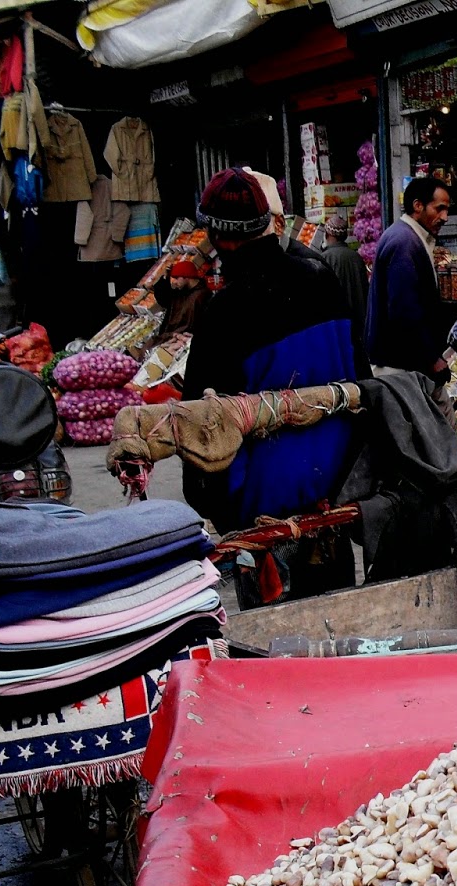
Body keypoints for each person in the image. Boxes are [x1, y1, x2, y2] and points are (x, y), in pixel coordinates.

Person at [182, 168, 367, 607]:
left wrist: (218, 510)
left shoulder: (226, 312)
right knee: (338, 631)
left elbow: (200, 431)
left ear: (217, 237)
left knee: (274, 649)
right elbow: (363, 386)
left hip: (261, 515)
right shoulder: (323, 280)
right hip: (331, 500)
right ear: (268, 222)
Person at [367, 175, 452, 384]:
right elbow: (404, 309)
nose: (445, 217)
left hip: (405, 365)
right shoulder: (404, 242)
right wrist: (433, 359)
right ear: (418, 206)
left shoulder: (407, 237)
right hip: (399, 368)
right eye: (439, 208)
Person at [321, 212, 369, 327]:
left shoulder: (325, 257)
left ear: (328, 234)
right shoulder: (356, 257)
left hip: (338, 324)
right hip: (358, 323)